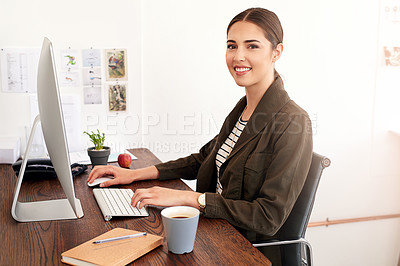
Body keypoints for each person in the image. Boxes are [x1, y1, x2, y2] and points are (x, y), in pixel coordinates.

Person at [88, 7, 312, 265]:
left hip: (246, 250)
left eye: (252, 46)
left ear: (276, 52)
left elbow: (267, 217)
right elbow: (203, 159)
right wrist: (135, 174)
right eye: (232, 46)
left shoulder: (293, 122)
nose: (238, 56)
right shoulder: (243, 109)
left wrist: (190, 199)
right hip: (215, 232)